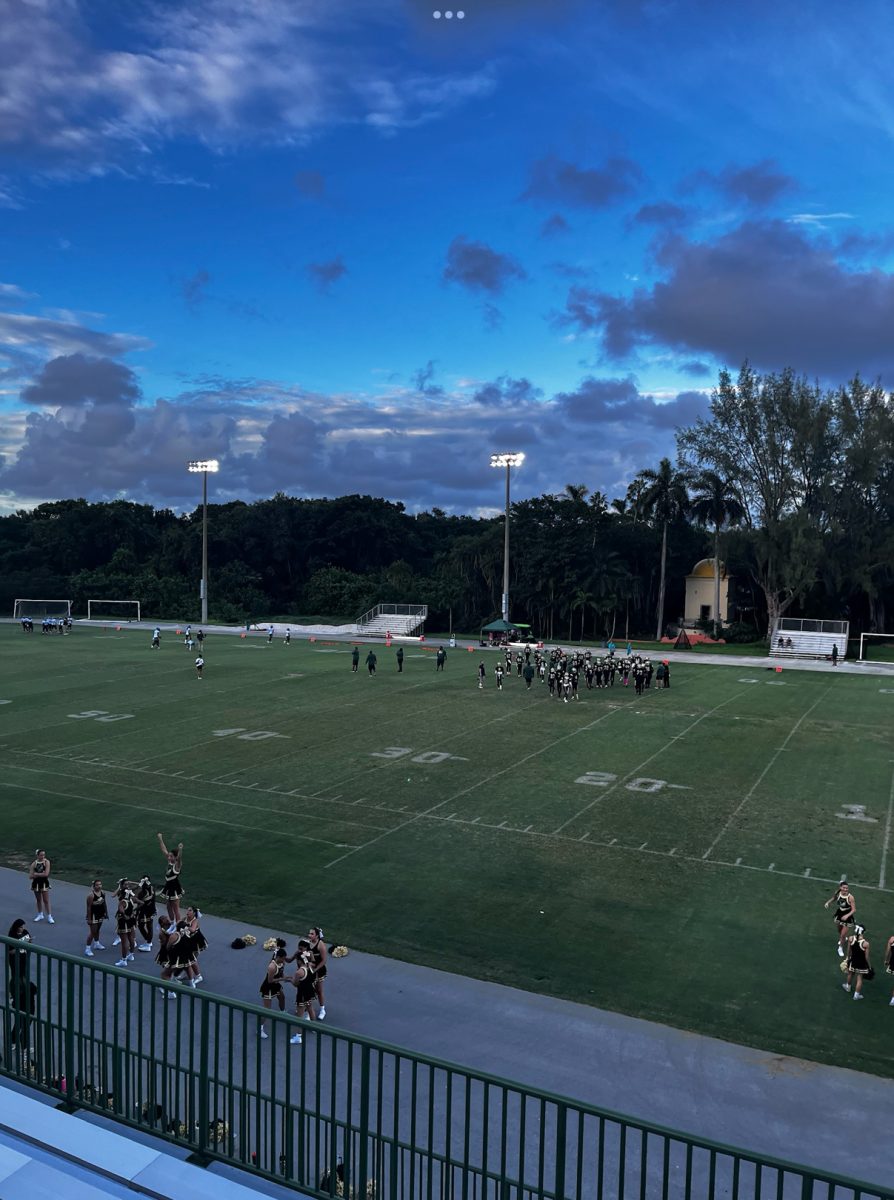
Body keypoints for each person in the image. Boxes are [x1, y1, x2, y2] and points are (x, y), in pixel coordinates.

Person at [6, 919, 36, 1052]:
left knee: (22, 1018)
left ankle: (17, 1041)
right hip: (16, 963)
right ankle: (19, 1042)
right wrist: (20, 944)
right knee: (23, 1017)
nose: (22, 929)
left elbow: (30, 943)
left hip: (23, 962)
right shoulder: (11, 936)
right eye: (20, 927)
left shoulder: (25, 932)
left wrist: (28, 942)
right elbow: (10, 952)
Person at [259, 945, 289, 1037]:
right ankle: (259, 1029)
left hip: (275, 985)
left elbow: (281, 972)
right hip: (268, 987)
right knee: (267, 1009)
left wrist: (284, 977)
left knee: (282, 997)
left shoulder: (282, 963)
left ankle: (282, 1012)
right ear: (278, 957)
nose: (284, 960)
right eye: (283, 959)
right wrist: (282, 979)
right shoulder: (272, 967)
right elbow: (270, 980)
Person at [157, 833, 184, 930]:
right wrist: (160, 839)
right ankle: (172, 923)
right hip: (168, 886)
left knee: (176, 908)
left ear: (175, 857)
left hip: (174, 887)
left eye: (171, 856)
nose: (169, 857)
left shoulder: (176, 866)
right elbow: (164, 850)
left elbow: (180, 859)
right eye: (169, 856)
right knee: (168, 906)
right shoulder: (169, 862)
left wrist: (180, 849)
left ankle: (178, 926)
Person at [825, 877, 856, 957]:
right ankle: (843, 938)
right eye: (844, 888)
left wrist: (847, 915)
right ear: (840, 888)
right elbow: (834, 898)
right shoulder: (838, 893)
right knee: (839, 930)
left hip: (847, 915)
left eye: (847, 888)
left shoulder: (850, 897)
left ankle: (840, 947)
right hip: (839, 913)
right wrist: (828, 902)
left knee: (842, 934)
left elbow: (854, 909)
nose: (845, 889)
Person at [843, 924, 872, 1000]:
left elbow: (849, 950)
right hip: (861, 963)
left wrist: (847, 958)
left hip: (853, 960)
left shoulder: (851, 938)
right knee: (859, 979)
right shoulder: (866, 944)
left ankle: (848, 987)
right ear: (863, 932)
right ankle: (856, 995)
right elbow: (866, 957)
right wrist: (869, 965)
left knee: (850, 974)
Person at [113, 879, 138, 966]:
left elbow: (121, 910)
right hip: (130, 916)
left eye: (128, 884)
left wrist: (124, 915)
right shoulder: (127, 894)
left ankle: (124, 960)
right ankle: (131, 955)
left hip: (124, 917)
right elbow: (114, 895)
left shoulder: (125, 896)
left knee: (125, 941)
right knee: (131, 938)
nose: (128, 885)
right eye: (126, 884)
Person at [307, 926, 328, 1020]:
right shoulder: (307, 943)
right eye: (309, 933)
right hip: (309, 970)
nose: (309, 935)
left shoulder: (321, 945)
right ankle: (308, 1010)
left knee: (319, 990)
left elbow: (324, 960)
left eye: (312, 934)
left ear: (317, 935)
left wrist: (315, 970)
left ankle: (322, 1009)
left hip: (318, 970)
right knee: (308, 991)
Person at [29, 849, 53, 923]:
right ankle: (40, 914)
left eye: (44, 855)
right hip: (36, 883)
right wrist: (38, 874)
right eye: (41, 855)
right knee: (38, 900)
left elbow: (46, 874)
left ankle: (49, 916)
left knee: (46, 900)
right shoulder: (34, 864)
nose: (43, 856)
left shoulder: (46, 862)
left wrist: (36, 874)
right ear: (37, 855)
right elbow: (30, 876)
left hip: (44, 883)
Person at [85, 879, 108, 956]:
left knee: (97, 930)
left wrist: (106, 913)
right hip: (93, 915)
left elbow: (104, 903)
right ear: (94, 886)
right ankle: (87, 948)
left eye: (100, 884)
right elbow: (88, 908)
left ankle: (96, 943)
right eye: (97, 885)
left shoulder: (103, 893)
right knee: (92, 932)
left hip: (100, 914)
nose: (99, 886)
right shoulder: (91, 896)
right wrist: (89, 919)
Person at [135, 875, 157, 952]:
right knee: (148, 925)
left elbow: (136, 899)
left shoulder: (144, 892)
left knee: (142, 925)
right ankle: (148, 941)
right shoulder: (151, 888)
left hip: (145, 910)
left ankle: (148, 942)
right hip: (151, 909)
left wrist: (135, 911)